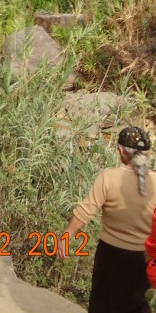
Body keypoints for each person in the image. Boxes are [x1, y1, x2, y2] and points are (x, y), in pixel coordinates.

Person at [58, 126, 156, 313]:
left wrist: (67, 235)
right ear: (148, 153)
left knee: (102, 303)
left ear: (121, 151)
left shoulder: (109, 178)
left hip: (110, 254)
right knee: (134, 301)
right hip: (143, 257)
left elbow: (86, 210)